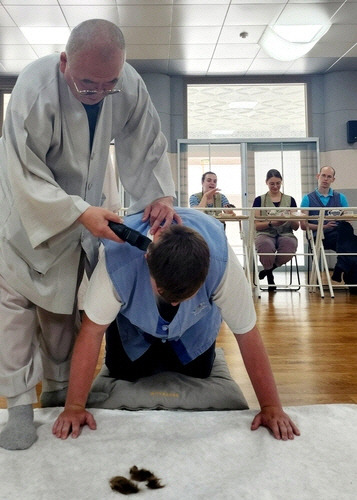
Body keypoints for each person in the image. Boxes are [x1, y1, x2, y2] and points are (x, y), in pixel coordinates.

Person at [0, 19, 180, 451]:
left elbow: (147, 142)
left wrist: (161, 197)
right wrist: (79, 211)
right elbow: (24, 170)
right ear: (64, 62)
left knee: (63, 316)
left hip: (85, 217)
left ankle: (62, 395)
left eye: (107, 84)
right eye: (86, 83)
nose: (97, 91)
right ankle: (20, 407)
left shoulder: (127, 85)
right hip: (27, 219)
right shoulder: (34, 88)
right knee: (15, 314)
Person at [52, 208, 300, 442]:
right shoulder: (118, 262)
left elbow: (247, 334)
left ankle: (181, 345)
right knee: (122, 371)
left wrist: (271, 407)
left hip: (192, 328)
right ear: (148, 259)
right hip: (134, 329)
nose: (172, 304)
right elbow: (92, 331)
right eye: (164, 293)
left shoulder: (223, 266)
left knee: (199, 371)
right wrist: (74, 406)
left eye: (182, 298)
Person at [300, 165, 356, 284]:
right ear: (318, 176)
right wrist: (323, 226)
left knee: (346, 232)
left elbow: (348, 219)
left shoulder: (341, 198)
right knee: (352, 242)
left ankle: (343, 269)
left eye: (329, 176)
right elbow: (303, 226)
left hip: (338, 234)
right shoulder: (307, 198)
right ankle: (349, 279)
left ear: (333, 180)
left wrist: (340, 221)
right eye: (323, 175)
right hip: (318, 236)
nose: (325, 179)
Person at [253, 169, 299, 290]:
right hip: (265, 232)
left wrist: (292, 217)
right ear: (266, 182)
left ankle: (269, 270)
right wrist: (271, 223)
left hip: (286, 233)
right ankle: (270, 277)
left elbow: (296, 227)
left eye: (278, 183)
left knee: (290, 245)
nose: (275, 186)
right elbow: (256, 225)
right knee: (264, 244)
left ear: (281, 182)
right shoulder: (259, 200)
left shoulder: (290, 200)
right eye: (272, 183)